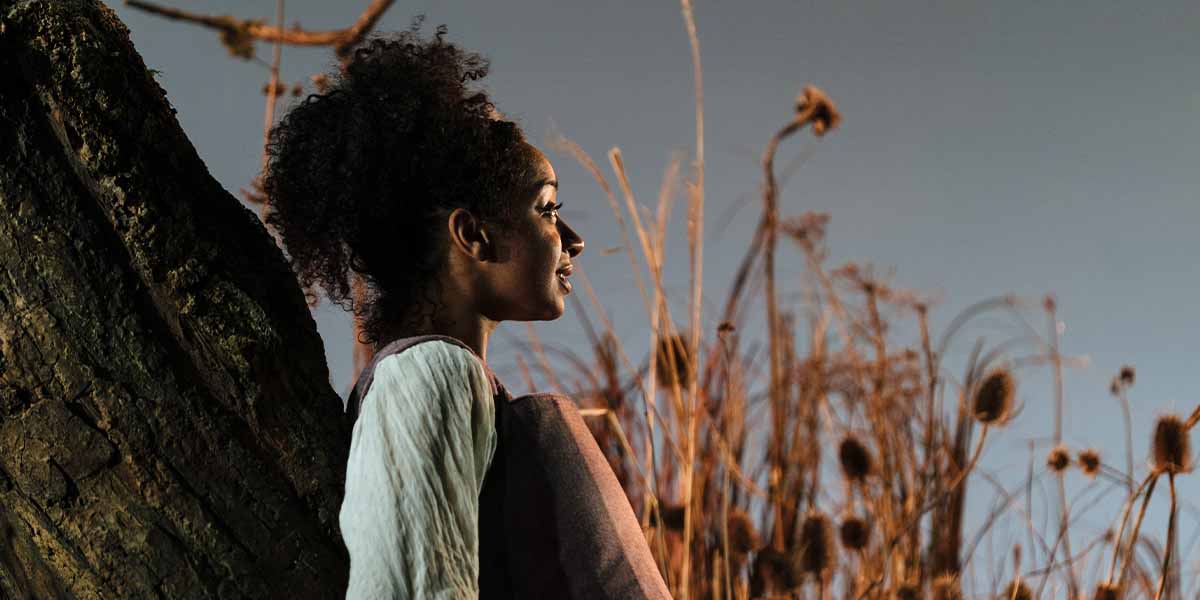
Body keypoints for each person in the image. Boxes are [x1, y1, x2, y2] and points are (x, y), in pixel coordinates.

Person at [262, 25, 671, 599]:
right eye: (548, 209)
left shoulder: (446, 382)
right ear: (474, 236)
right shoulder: (428, 376)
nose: (573, 240)